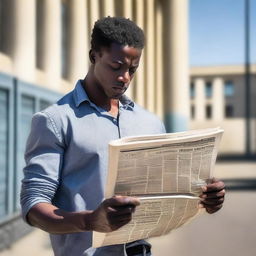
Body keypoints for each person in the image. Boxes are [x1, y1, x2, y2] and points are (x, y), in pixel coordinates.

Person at [20, 17, 225, 256]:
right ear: (94, 56)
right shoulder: (55, 121)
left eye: (132, 69)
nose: (125, 77)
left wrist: (204, 198)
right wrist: (89, 221)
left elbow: (166, 194)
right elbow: (33, 206)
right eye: (116, 66)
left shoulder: (150, 123)